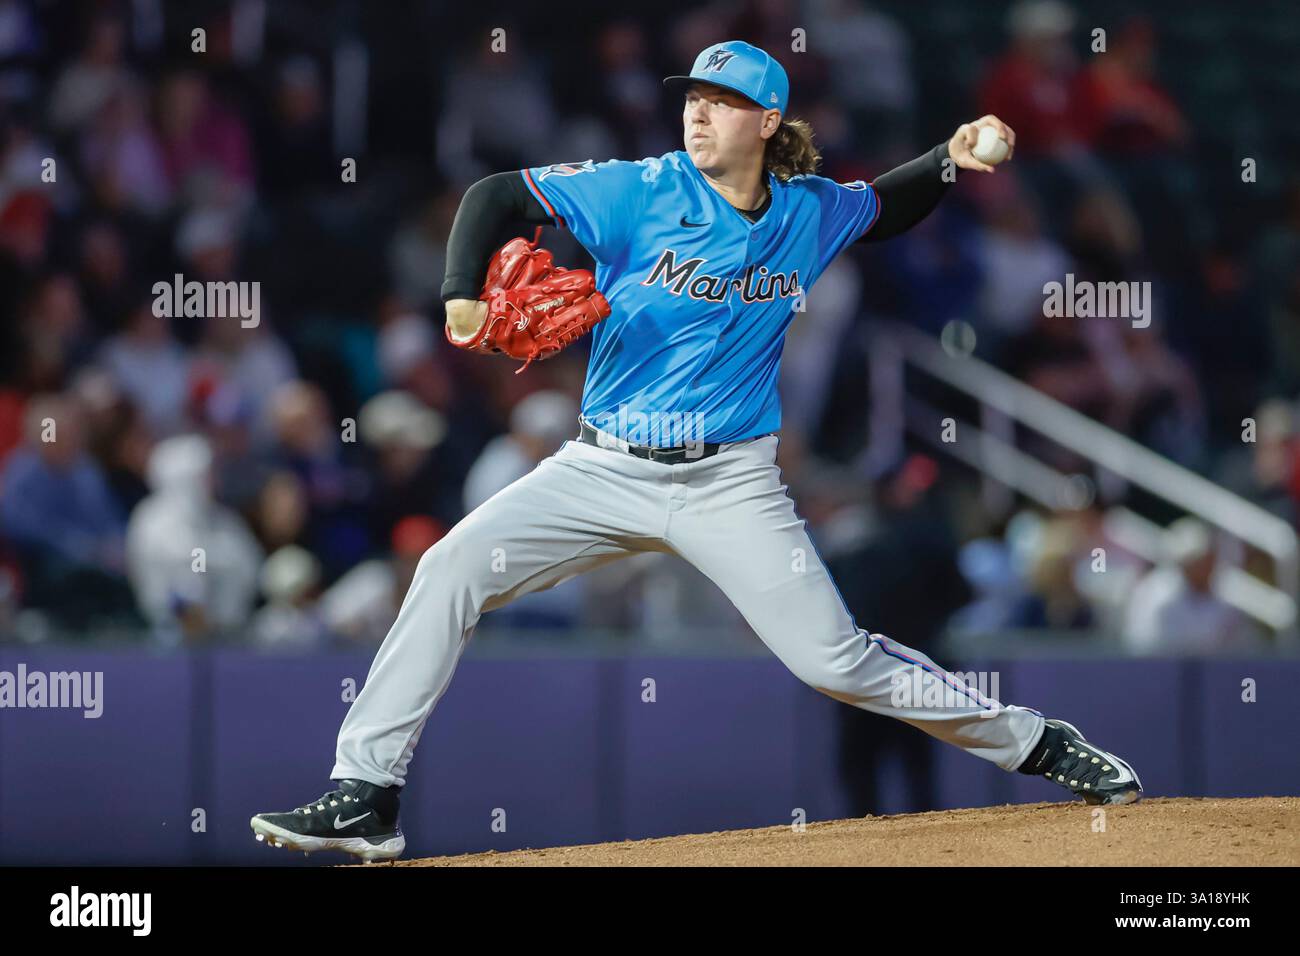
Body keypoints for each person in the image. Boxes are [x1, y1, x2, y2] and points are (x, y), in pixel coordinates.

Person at [252, 41, 1142, 862]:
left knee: (835, 662)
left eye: (721, 101)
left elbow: (881, 207)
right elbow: (495, 196)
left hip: (731, 483)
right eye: (693, 98)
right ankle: (365, 792)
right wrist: (458, 294)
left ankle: (1039, 742)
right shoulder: (641, 188)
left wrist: (951, 158)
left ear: (765, 122)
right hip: (601, 468)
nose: (697, 113)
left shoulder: (804, 212)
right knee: (448, 571)